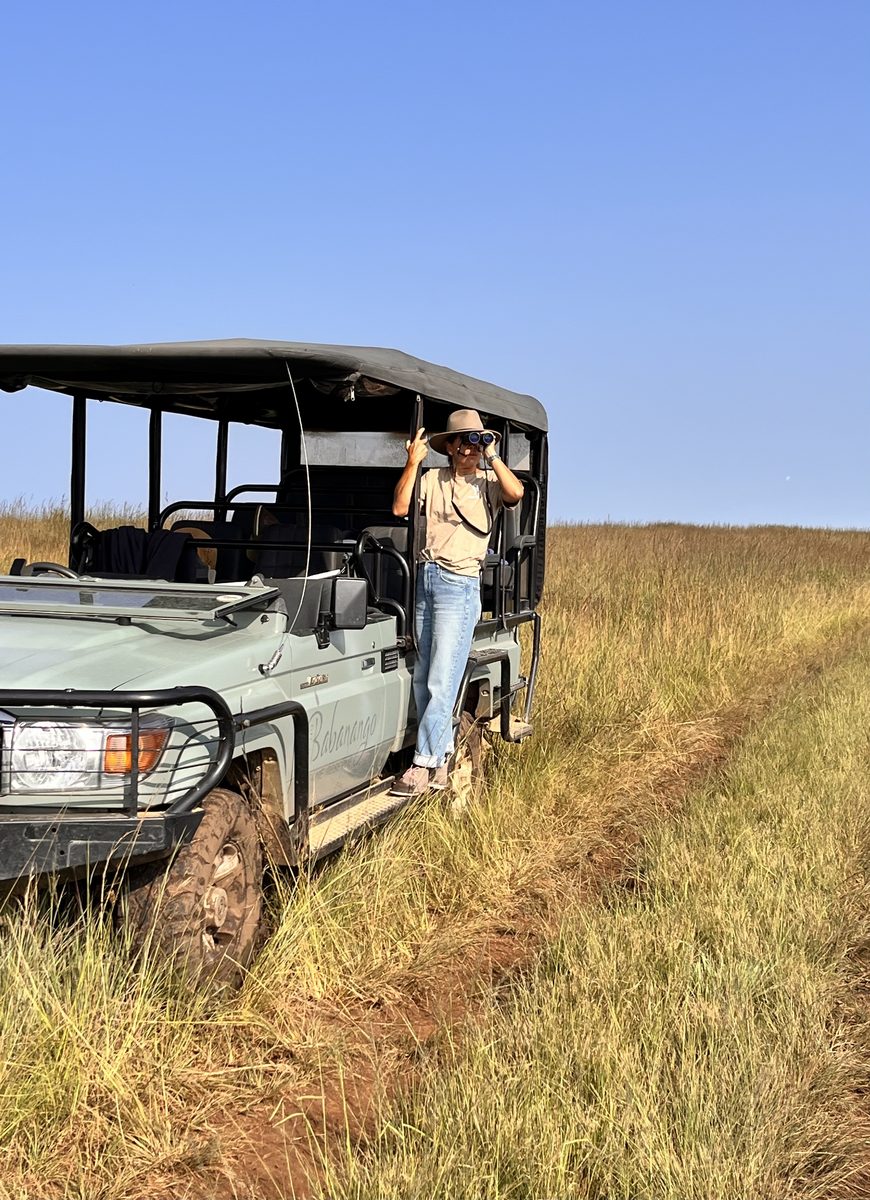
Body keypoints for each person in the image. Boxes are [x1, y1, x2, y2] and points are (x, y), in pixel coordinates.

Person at [390, 409, 525, 797]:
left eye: (476, 440)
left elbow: (516, 493)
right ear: (448, 447)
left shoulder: (487, 483)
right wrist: (413, 461)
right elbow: (400, 508)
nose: (469, 447)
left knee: (441, 678)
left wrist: (493, 455)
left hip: (460, 583)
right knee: (422, 675)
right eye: (462, 441)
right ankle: (443, 754)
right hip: (426, 578)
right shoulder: (431, 479)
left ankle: (424, 764)